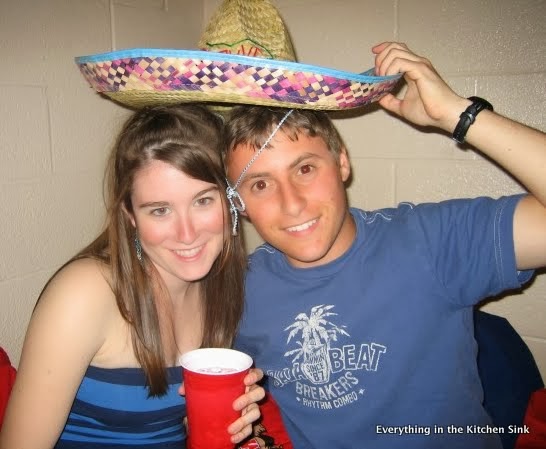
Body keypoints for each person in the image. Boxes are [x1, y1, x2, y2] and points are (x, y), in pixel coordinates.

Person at [222, 42, 546, 449]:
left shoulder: (430, 242)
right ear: (239, 203)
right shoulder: (237, 289)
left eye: (305, 168)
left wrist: (457, 115)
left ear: (342, 162)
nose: (292, 203)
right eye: (260, 184)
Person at [0, 104, 265, 449]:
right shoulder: (85, 293)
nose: (187, 234)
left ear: (230, 200)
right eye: (160, 210)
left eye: (203, 201)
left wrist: (233, 417)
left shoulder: (220, 288)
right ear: (130, 215)